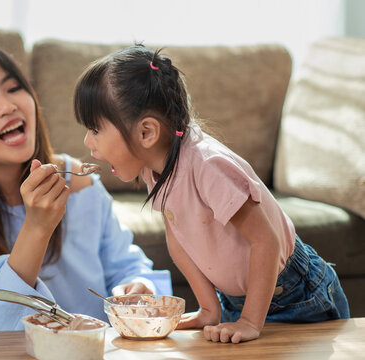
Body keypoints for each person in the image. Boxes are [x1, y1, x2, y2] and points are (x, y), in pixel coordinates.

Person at [0, 38, 171, 360]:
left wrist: (139, 287)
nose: (7, 105)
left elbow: (125, 265)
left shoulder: (80, 185)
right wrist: (36, 229)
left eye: (13, 88)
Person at [73, 44, 350, 344]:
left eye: (95, 129)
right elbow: (178, 241)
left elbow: (265, 241)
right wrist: (209, 308)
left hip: (295, 294)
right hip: (242, 301)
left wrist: (249, 322)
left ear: (146, 133)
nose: (88, 142)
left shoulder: (208, 166)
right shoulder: (154, 170)